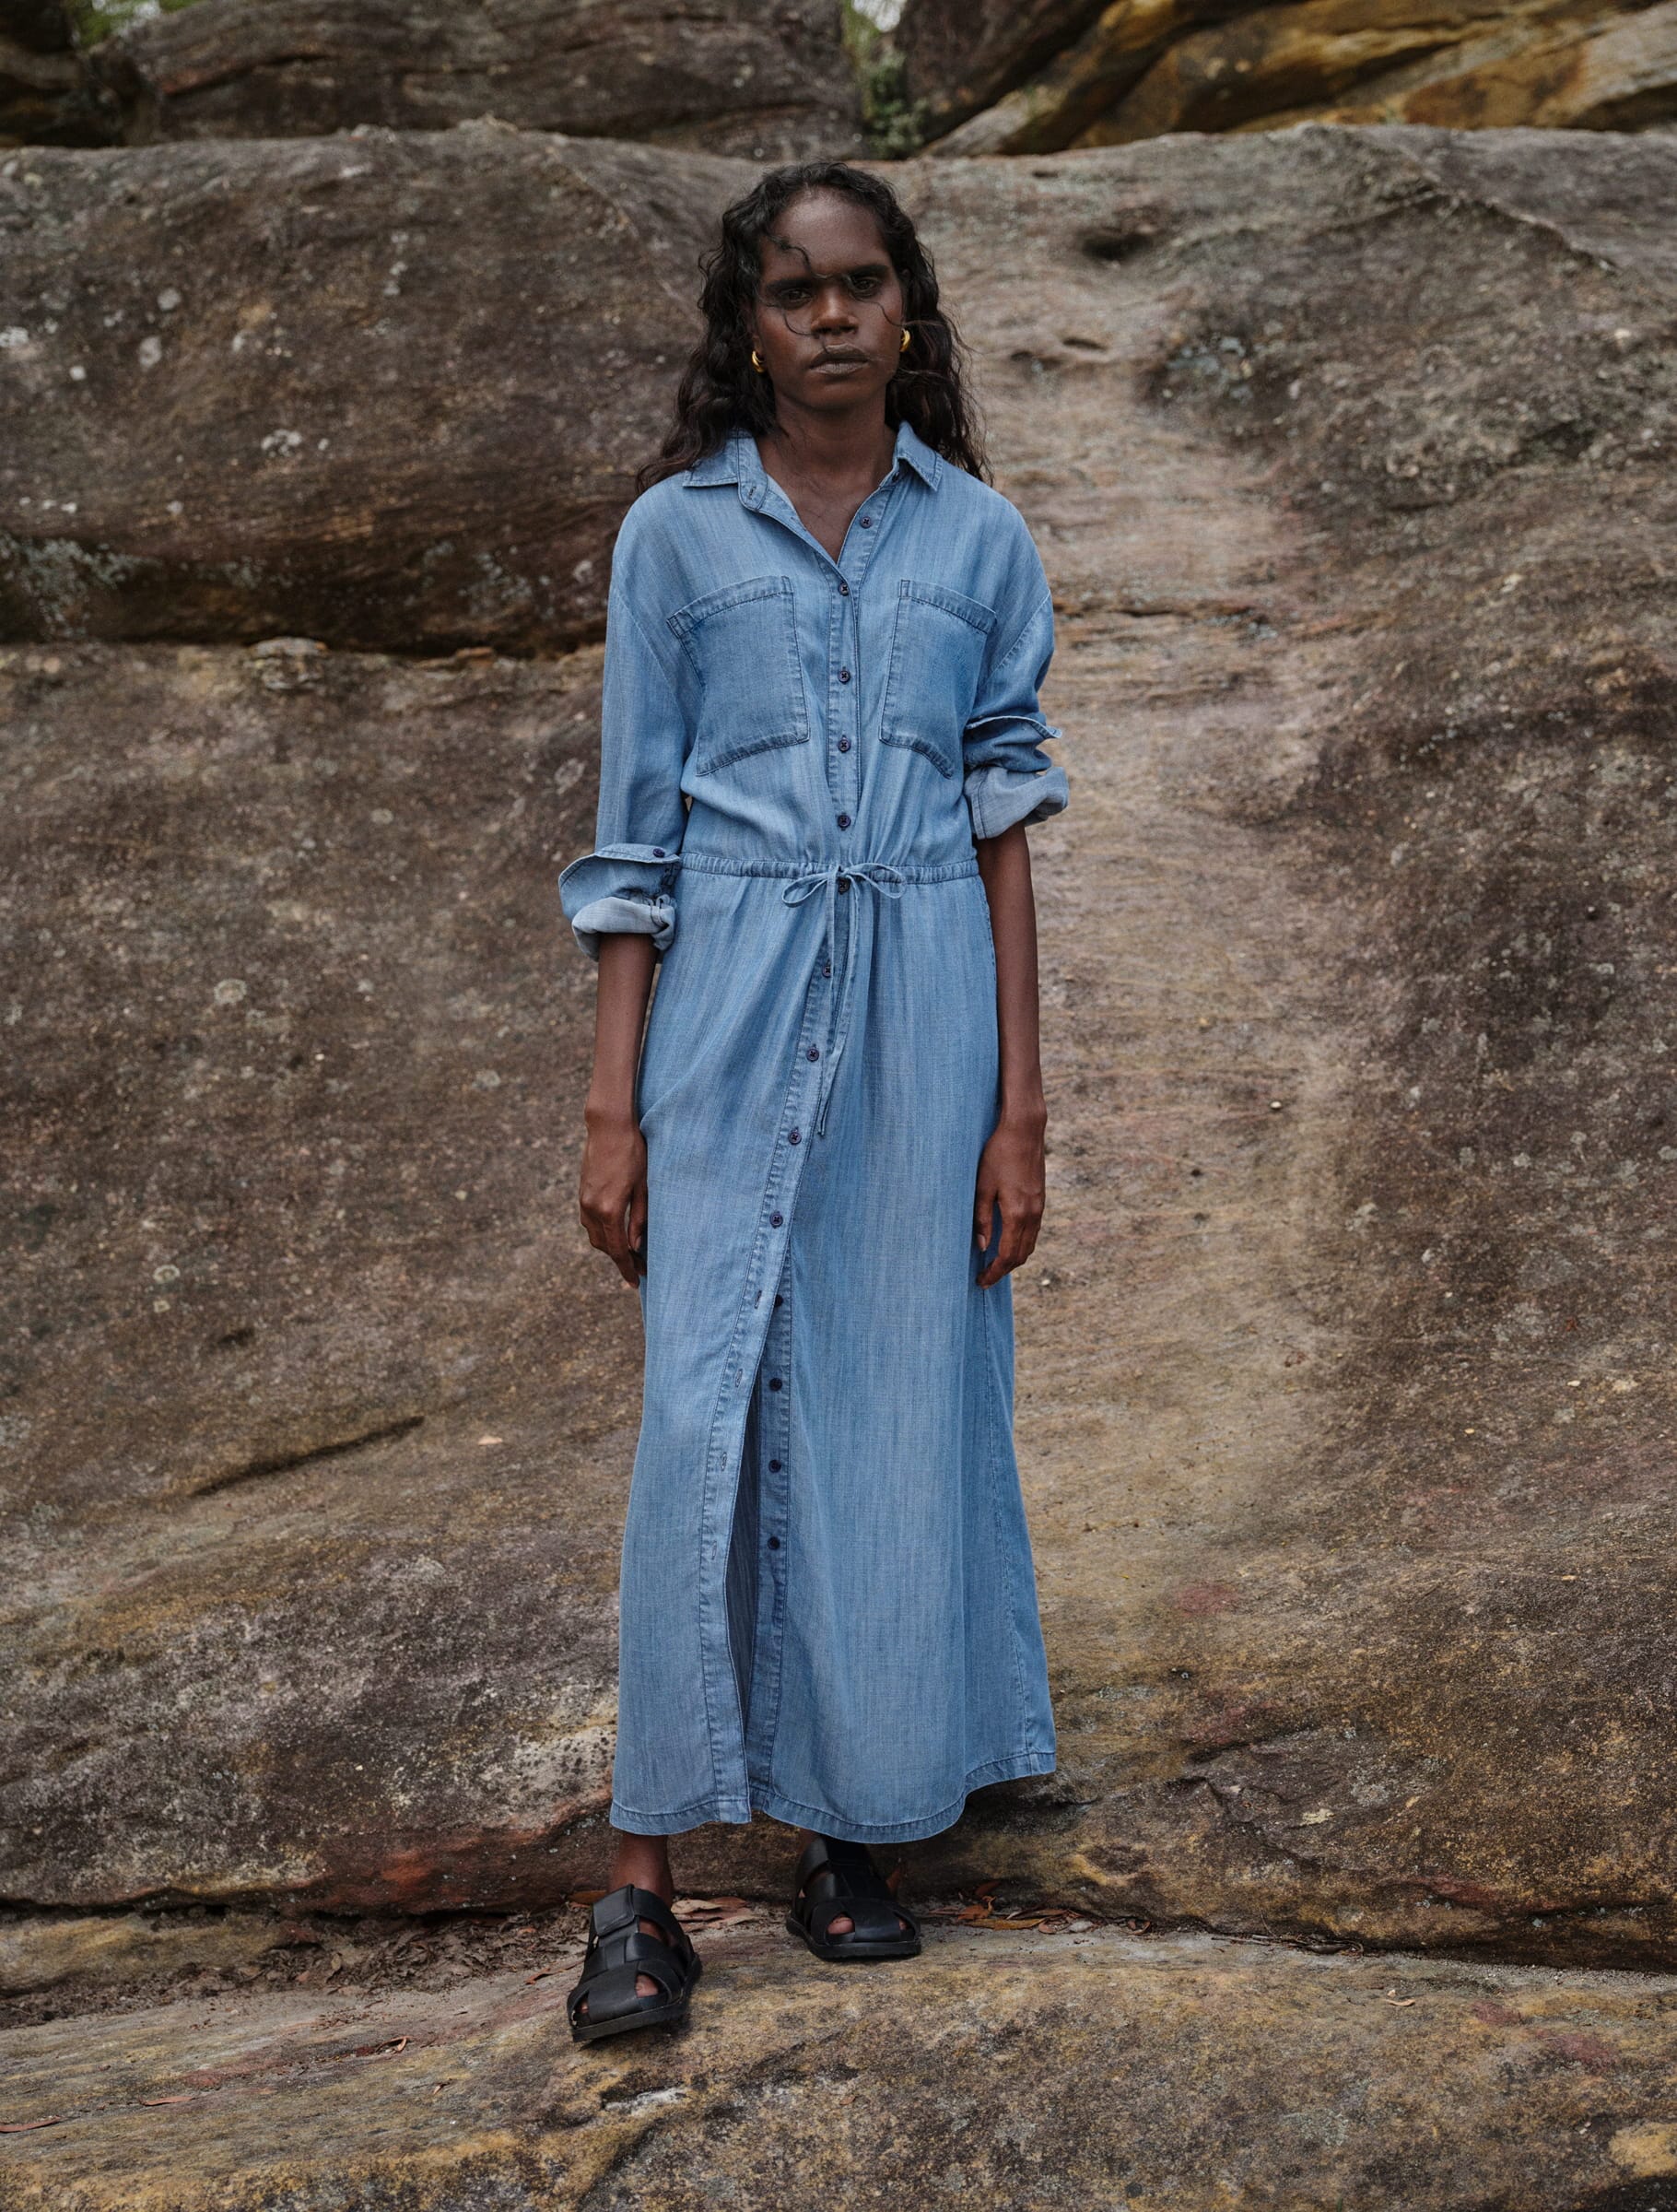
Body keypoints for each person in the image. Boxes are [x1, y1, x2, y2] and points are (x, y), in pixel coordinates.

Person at [558, 159, 1069, 2043]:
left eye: (861, 283)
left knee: (890, 1406)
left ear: (907, 311)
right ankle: (640, 1881)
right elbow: (634, 842)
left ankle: (854, 1831)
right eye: (793, 290)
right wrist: (612, 1109)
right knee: (701, 1414)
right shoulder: (675, 539)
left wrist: (1019, 1111)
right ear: (750, 328)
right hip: (731, 994)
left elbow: (1004, 826)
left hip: (925, 1005)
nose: (832, 314)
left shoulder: (980, 540)